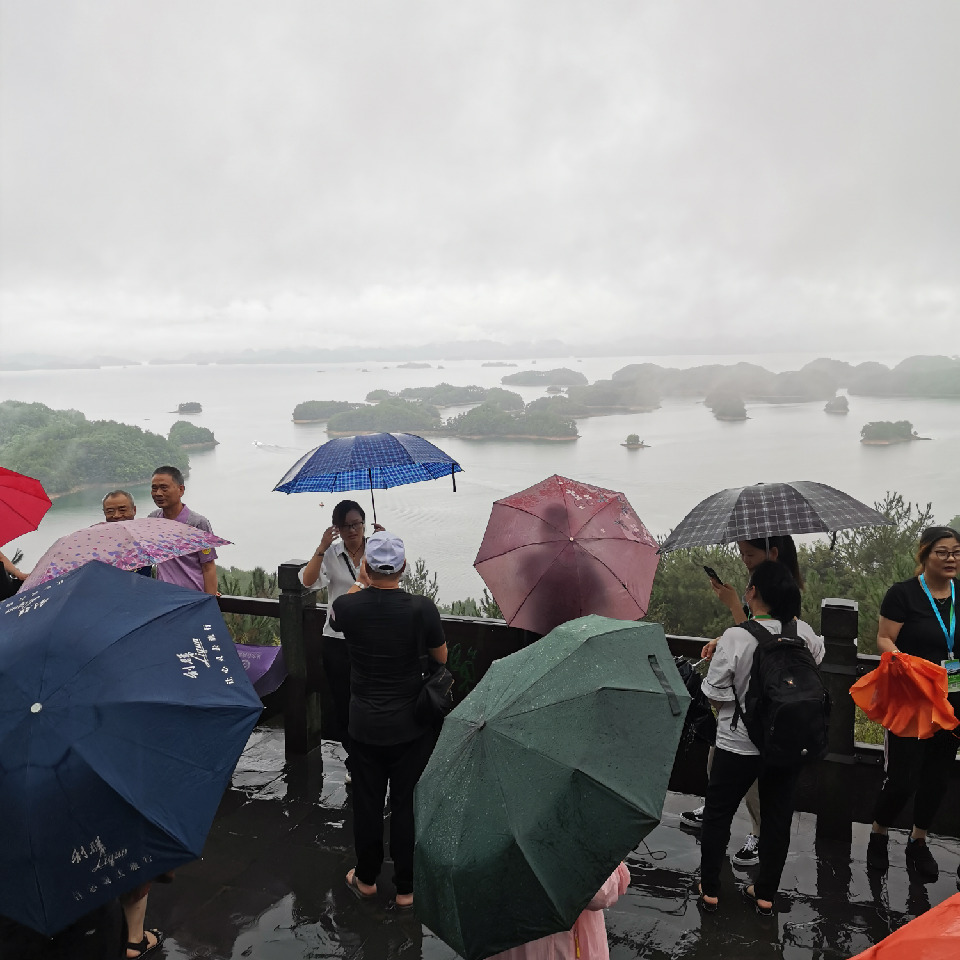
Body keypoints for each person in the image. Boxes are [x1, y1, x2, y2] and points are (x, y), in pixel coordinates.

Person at [697, 560, 824, 915]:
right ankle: (765, 893)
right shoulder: (806, 633)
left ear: (752, 593)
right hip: (787, 741)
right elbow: (812, 667)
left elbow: (716, 691)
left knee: (719, 813)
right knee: (777, 816)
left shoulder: (736, 636)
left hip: (738, 742)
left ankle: (710, 890)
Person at [329, 531, 446, 911]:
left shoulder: (350, 608)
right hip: (411, 725)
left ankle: (365, 879)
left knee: (366, 804)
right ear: (405, 567)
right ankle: (406, 889)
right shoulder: (422, 608)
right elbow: (440, 658)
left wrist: (359, 584)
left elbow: (338, 614)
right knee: (406, 804)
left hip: (363, 723)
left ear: (365, 566)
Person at [681, 535, 804, 869]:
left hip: (765, 706)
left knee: (754, 775)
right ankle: (718, 809)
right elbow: (752, 633)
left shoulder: (783, 594)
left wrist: (735, 607)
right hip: (744, 701)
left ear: (772, 553)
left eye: (750, 554)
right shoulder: (763, 588)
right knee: (719, 756)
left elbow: (763, 640)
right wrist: (724, 638)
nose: (745, 560)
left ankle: (758, 835)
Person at [867, 525, 960, 882]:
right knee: (902, 778)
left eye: (956, 552)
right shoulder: (903, 594)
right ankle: (879, 831)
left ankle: (918, 840)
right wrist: (903, 661)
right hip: (912, 699)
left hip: (951, 701)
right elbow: (884, 639)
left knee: (937, 777)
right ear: (924, 555)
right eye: (943, 552)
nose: (951, 558)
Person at [300, 500, 383, 780]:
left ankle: (374, 758)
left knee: (374, 701)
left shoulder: (377, 548)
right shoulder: (332, 554)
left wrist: (387, 544)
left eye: (357, 524)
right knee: (344, 702)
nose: (352, 530)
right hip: (337, 639)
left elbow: (397, 577)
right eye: (345, 526)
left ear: (364, 522)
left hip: (373, 639)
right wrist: (321, 548)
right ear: (336, 528)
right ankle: (354, 760)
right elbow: (308, 582)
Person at [487, 863, 630, 960]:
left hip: (503, 943)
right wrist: (617, 865)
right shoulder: (562, 827)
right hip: (560, 947)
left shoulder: (479, 833)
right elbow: (599, 894)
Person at [147, 466, 218, 595]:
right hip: (164, 597)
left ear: (181, 490)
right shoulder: (153, 519)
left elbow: (208, 566)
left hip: (193, 597)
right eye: (154, 488)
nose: (158, 493)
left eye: (164, 488)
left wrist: (210, 599)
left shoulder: (197, 523)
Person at [101, 489, 152, 578]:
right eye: (110, 511)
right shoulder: (98, 542)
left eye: (122, 510)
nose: (116, 515)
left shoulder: (147, 538)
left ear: (134, 510)